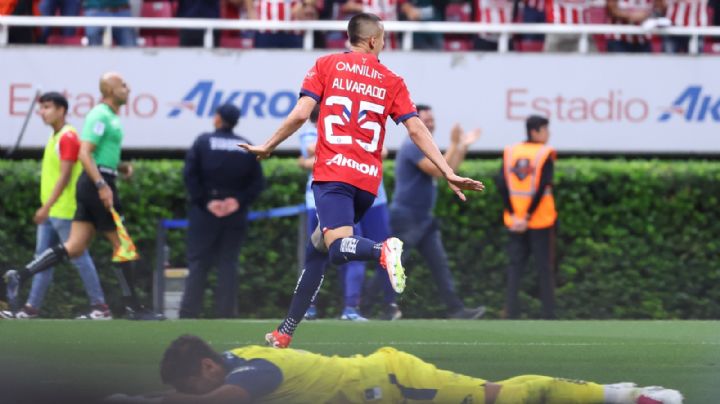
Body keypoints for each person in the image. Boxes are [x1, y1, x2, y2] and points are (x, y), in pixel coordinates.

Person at [240, 13, 485, 348]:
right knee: (318, 250)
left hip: (332, 177)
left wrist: (268, 145)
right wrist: (448, 170)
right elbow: (415, 129)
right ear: (372, 40)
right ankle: (285, 331)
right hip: (367, 185)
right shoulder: (391, 79)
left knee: (340, 248)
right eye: (383, 38)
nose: (383, 43)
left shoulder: (325, 65)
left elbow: (300, 113)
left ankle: (382, 249)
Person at [3, 72, 164, 321]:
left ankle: (19, 276)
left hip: (95, 182)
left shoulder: (108, 117)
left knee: (75, 247)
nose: (128, 88)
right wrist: (102, 184)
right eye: (122, 85)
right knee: (122, 245)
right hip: (97, 183)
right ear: (110, 90)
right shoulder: (100, 115)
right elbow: (85, 154)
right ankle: (133, 308)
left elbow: (97, 153)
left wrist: (120, 167)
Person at [111, 334, 684, 403]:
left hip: (394, 383)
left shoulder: (249, 376)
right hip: (380, 386)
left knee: (502, 397)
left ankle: (626, 396)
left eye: (191, 385)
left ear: (209, 368)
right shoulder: (232, 360)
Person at [0, 92, 109, 320]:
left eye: (48, 107)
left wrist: (46, 206)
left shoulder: (68, 137)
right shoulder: (56, 136)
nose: (43, 112)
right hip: (54, 211)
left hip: (65, 210)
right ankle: (31, 308)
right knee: (42, 260)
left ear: (62, 110)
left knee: (79, 257)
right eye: (42, 108)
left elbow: (66, 175)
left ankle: (100, 306)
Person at [298, 105, 397, 321]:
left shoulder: (358, 127)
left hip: (352, 198)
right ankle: (310, 307)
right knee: (319, 253)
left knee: (349, 250)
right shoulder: (318, 130)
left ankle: (354, 307)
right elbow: (310, 151)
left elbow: (383, 151)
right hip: (324, 200)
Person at [390, 104, 485, 320]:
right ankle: (370, 305)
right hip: (408, 216)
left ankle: (455, 309)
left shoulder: (427, 146)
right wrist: (454, 144)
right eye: (426, 120)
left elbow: (449, 171)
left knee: (439, 264)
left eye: (432, 119)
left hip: (423, 218)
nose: (431, 123)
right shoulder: (414, 145)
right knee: (394, 264)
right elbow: (436, 170)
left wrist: (462, 146)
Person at [179, 104, 264, 319]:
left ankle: (189, 313)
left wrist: (206, 201)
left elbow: (190, 175)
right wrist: (238, 201)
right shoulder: (246, 147)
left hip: (204, 212)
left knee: (198, 262)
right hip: (235, 214)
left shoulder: (203, 142)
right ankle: (226, 314)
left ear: (218, 118)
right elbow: (257, 182)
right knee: (229, 263)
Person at [496, 115, 557, 319]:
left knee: (515, 268)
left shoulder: (511, 152)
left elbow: (502, 184)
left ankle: (510, 313)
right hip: (539, 220)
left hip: (514, 221)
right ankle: (548, 315)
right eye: (545, 130)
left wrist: (515, 214)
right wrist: (528, 215)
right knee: (544, 269)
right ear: (535, 131)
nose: (548, 134)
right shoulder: (544, 153)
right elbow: (542, 187)